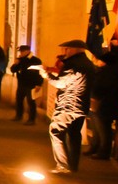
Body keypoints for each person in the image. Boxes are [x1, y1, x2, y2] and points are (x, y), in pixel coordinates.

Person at [39, 39, 95, 174]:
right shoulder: (88, 63)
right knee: (74, 134)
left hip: (68, 104)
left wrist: (46, 75)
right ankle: (73, 165)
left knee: (56, 131)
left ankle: (63, 165)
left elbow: (60, 83)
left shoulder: (73, 64)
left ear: (76, 49)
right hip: (81, 104)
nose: (64, 52)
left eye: (66, 49)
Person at [87, 51, 118, 160]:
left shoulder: (110, 73)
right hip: (100, 102)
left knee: (104, 129)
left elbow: (102, 87)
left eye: (101, 60)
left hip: (105, 104)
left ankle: (104, 152)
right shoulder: (105, 72)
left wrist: (95, 97)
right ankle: (95, 147)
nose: (98, 62)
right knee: (97, 127)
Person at [9, 45, 43, 125]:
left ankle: (31, 119)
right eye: (20, 51)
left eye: (22, 51)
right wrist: (15, 64)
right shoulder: (20, 60)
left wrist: (39, 84)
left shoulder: (36, 60)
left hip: (31, 84)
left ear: (28, 51)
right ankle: (18, 115)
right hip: (21, 84)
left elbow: (40, 73)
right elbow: (13, 70)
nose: (21, 53)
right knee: (19, 100)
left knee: (31, 102)